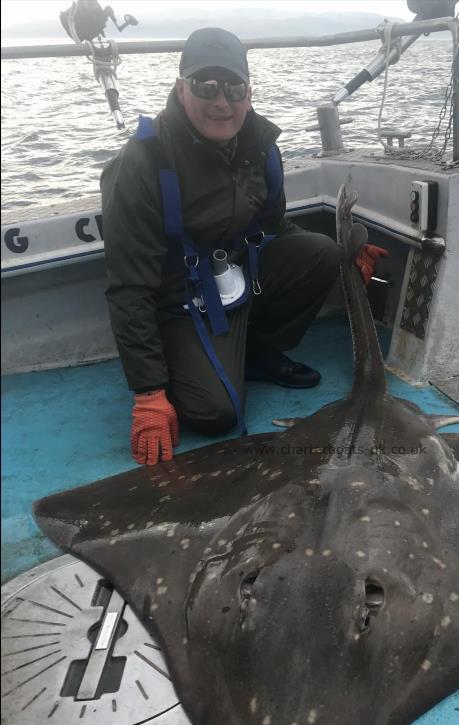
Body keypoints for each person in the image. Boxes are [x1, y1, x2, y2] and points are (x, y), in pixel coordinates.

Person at [100, 27, 387, 467]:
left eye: (233, 87)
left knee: (321, 254)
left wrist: (345, 259)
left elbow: (274, 228)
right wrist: (148, 394)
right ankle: (192, 368)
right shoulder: (140, 164)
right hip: (176, 300)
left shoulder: (260, 148)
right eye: (206, 86)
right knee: (215, 414)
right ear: (181, 89)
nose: (222, 101)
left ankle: (254, 352)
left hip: (234, 277)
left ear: (249, 93)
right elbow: (129, 288)